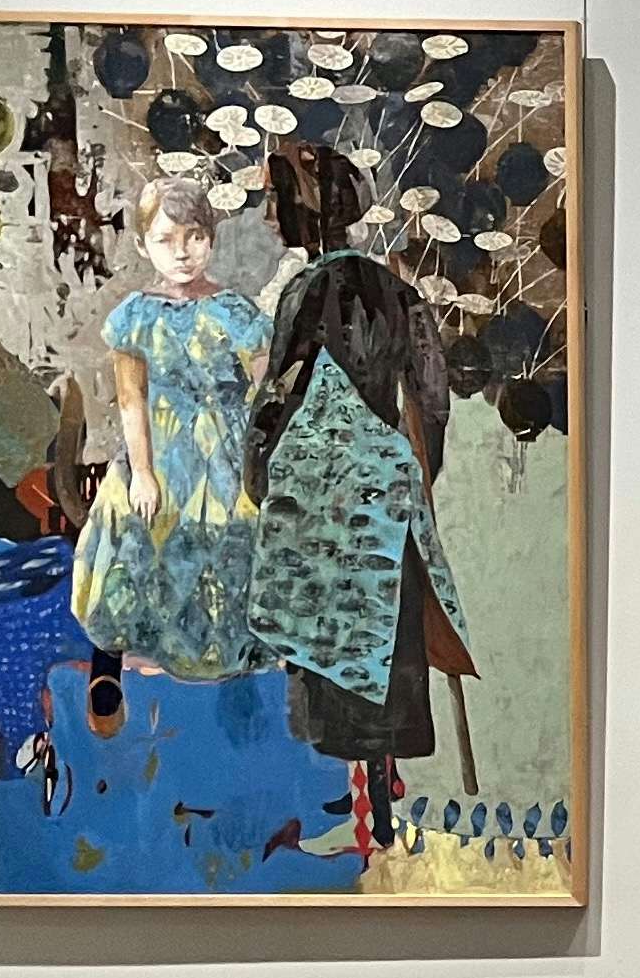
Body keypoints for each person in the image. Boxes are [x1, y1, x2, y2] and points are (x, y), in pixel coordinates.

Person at [245, 150, 477, 851]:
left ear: (301, 211)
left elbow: (279, 395)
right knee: (390, 648)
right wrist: (416, 476)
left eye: (276, 205)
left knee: (336, 657)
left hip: (324, 505)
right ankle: (383, 804)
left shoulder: (306, 291)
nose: (269, 218)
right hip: (388, 498)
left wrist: (260, 475)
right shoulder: (399, 292)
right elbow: (431, 398)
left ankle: (364, 815)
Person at [68, 177, 270, 694]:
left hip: (227, 447)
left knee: (235, 528)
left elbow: (266, 391)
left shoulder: (236, 311)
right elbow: (131, 399)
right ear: (143, 246)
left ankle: (234, 657)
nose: (182, 253)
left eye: (194, 237)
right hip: (158, 447)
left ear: (211, 239)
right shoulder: (135, 317)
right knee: (130, 525)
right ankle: (111, 663)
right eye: (165, 240)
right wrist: (142, 472)